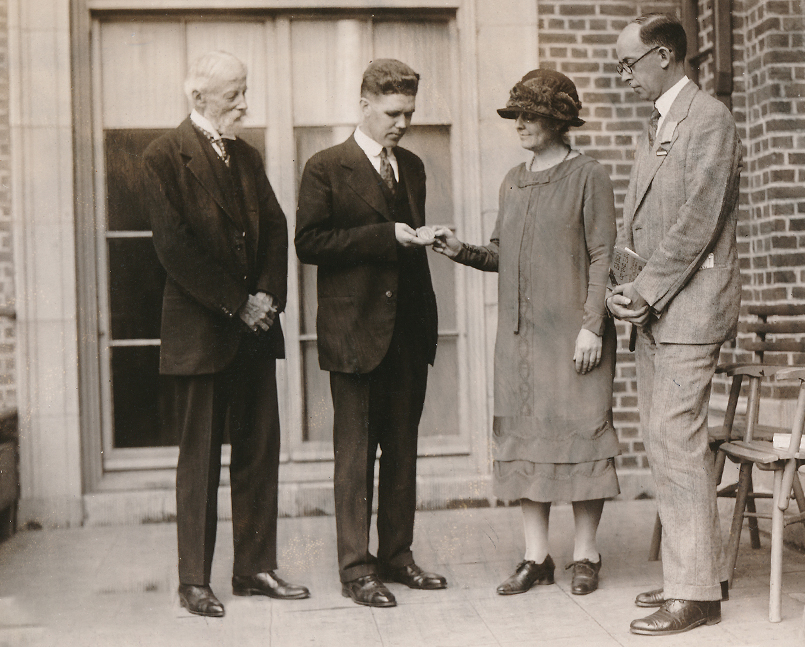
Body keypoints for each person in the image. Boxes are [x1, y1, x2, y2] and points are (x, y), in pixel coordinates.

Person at [432, 69, 621, 597]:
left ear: (561, 121)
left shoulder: (589, 175)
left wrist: (592, 328)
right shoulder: (513, 180)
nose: (521, 124)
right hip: (520, 342)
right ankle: (536, 556)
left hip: (574, 338)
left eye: (532, 115)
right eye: (517, 114)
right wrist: (459, 249)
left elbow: (605, 254)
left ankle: (586, 554)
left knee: (582, 439)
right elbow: (501, 252)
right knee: (527, 444)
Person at [142, 51, 309, 618]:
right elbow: (174, 248)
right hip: (203, 334)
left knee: (259, 452)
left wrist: (266, 299)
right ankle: (194, 582)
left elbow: (276, 225)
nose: (244, 104)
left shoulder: (247, 155)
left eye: (244, 91)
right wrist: (238, 304)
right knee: (200, 461)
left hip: (254, 331)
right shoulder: (162, 158)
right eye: (233, 94)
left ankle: (254, 568)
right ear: (199, 100)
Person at [607, 15, 742, 637]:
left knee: (676, 439)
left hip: (689, 311)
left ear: (663, 56)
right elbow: (642, 225)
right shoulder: (659, 124)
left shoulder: (708, 117)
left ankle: (697, 593)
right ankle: (688, 575)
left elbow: (697, 222)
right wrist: (622, 287)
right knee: (665, 442)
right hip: (657, 308)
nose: (623, 75)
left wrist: (644, 289)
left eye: (628, 64)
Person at [295, 59, 446, 608]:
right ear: (363, 105)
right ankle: (357, 569)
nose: (402, 123)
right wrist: (385, 236)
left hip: (407, 331)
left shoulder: (413, 165)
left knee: (402, 451)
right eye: (392, 112)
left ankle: (398, 556)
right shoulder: (325, 167)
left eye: (409, 112)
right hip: (354, 334)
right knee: (355, 456)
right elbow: (309, 243)